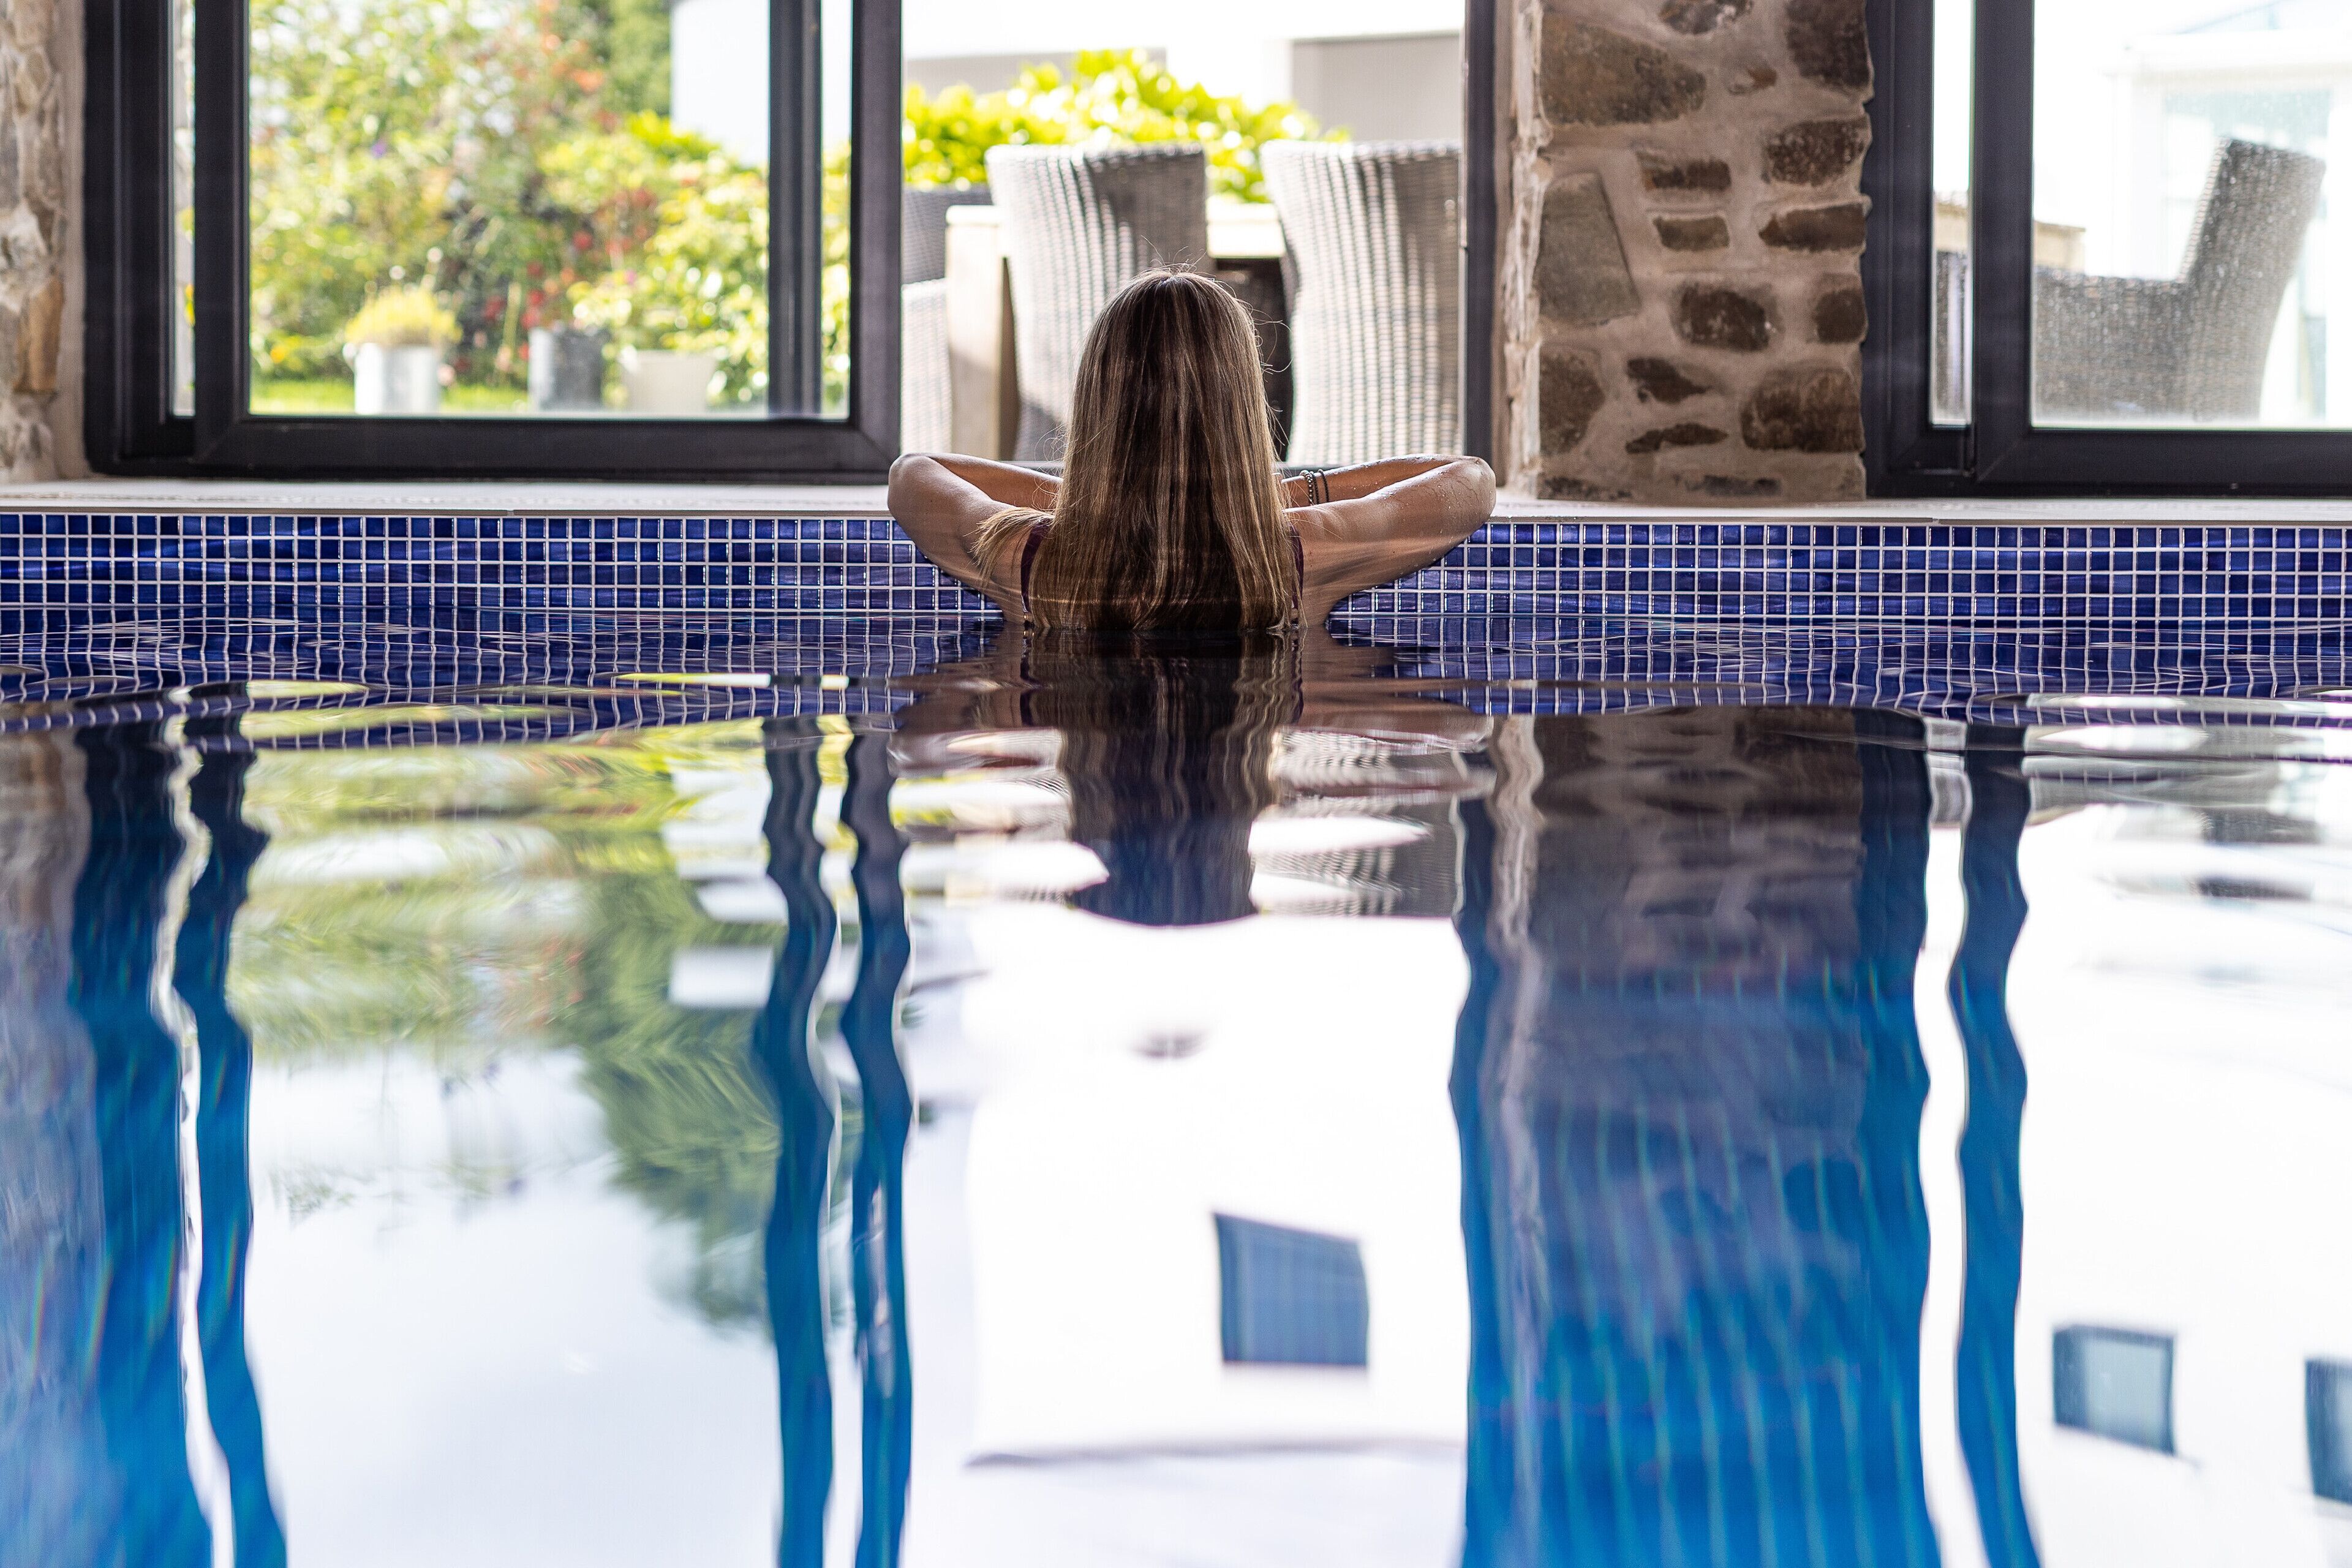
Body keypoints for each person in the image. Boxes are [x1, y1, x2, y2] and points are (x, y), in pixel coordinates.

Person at [887, 268, 1495, 631]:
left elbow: (914, 472)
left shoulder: (1028, 557)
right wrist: (1273, 494)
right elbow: (1468, 479)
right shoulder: (1297, 553)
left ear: (1098, 400)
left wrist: (1097, 498)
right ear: (1242, 405)